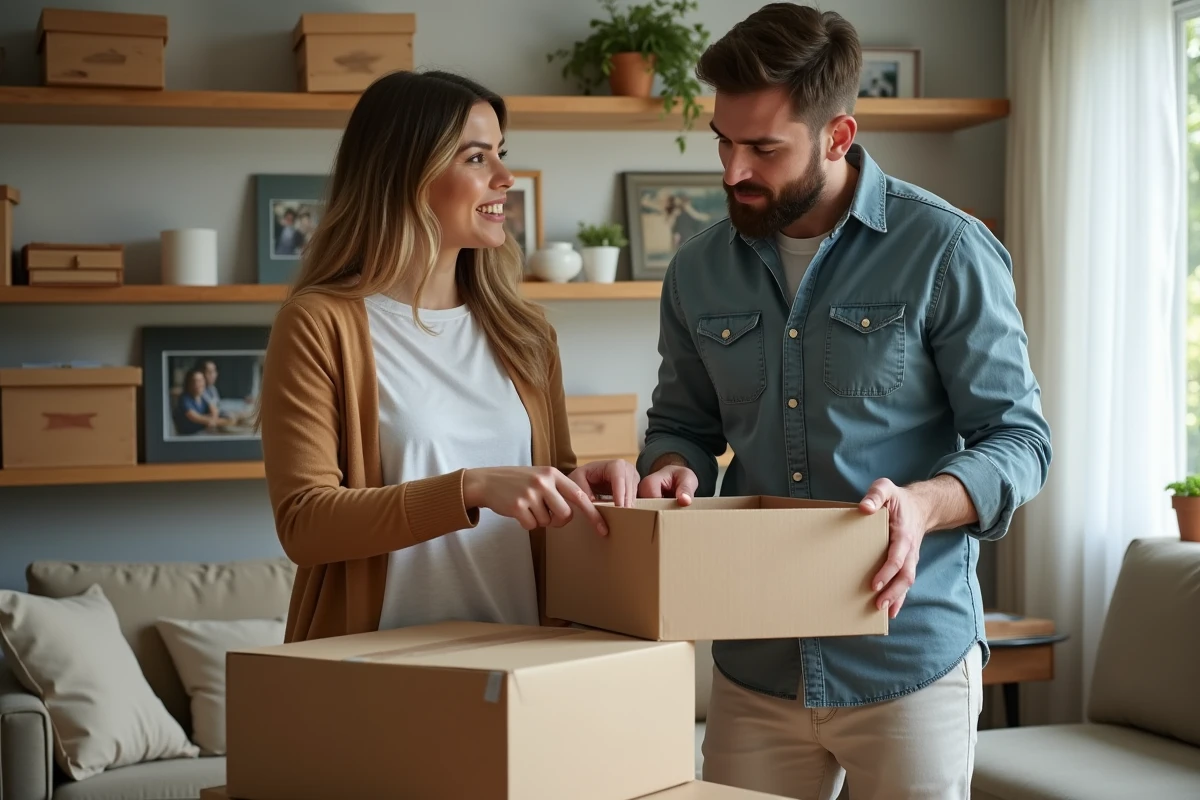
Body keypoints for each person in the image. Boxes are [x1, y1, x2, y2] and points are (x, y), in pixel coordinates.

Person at [634, 5, 1052, 800]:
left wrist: (923, 504)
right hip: (756, 661)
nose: (732, 171)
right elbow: (683, 426)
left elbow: (1020, 441)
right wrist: (670, 468)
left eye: (763, 148)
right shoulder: (695, 269)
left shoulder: (947, 249)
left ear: (837, 136)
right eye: (723, 141)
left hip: (910, 660)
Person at [258, 69, 639, 644]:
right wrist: (469, 489)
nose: (506, 178)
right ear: (406, 173)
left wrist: (579, 485)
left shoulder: (527, 334)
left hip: (524, 658)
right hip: (377, 667)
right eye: (477, 158)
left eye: (501, 154)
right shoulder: (319, 324)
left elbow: (541, 494)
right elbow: (305, 524)